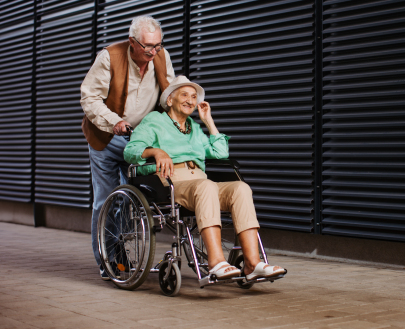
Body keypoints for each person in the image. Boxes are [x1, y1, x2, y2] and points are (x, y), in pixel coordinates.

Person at [123, 76, 285, 280]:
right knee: (206, 186)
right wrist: (156, 151)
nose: (190, 100)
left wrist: (208, 120)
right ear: (170, 99)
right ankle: (216, 262)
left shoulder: (194, 127)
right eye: (185, 95)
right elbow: (130, 151)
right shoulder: (154, 121)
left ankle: (253, 263)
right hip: (171, 182)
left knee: (241, 188)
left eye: (194, 97)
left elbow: (220, 153)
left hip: (200, 181)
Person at [80, 16, 175, 279]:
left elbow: (169, 93)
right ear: (132, 42)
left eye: (157, 45)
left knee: (133, 199)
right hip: (107, 138)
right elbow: (89, 96)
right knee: (105, 200)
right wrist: (114, 121)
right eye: (147, 46)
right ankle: (108, 260)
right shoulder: (109, 57)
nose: (153, 51)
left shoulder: (161, 57)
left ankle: (119, 248)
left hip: (140, 140)